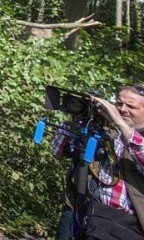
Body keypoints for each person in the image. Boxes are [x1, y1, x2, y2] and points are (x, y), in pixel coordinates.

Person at [53, 85, 144, 240]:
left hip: (124, 223)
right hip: (81, 209)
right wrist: (82, 117)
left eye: (131, 106)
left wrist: (120, 124)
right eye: (119, 104)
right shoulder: (103, 128)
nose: (122, 109)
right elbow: (57, 151)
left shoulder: (135, 139)